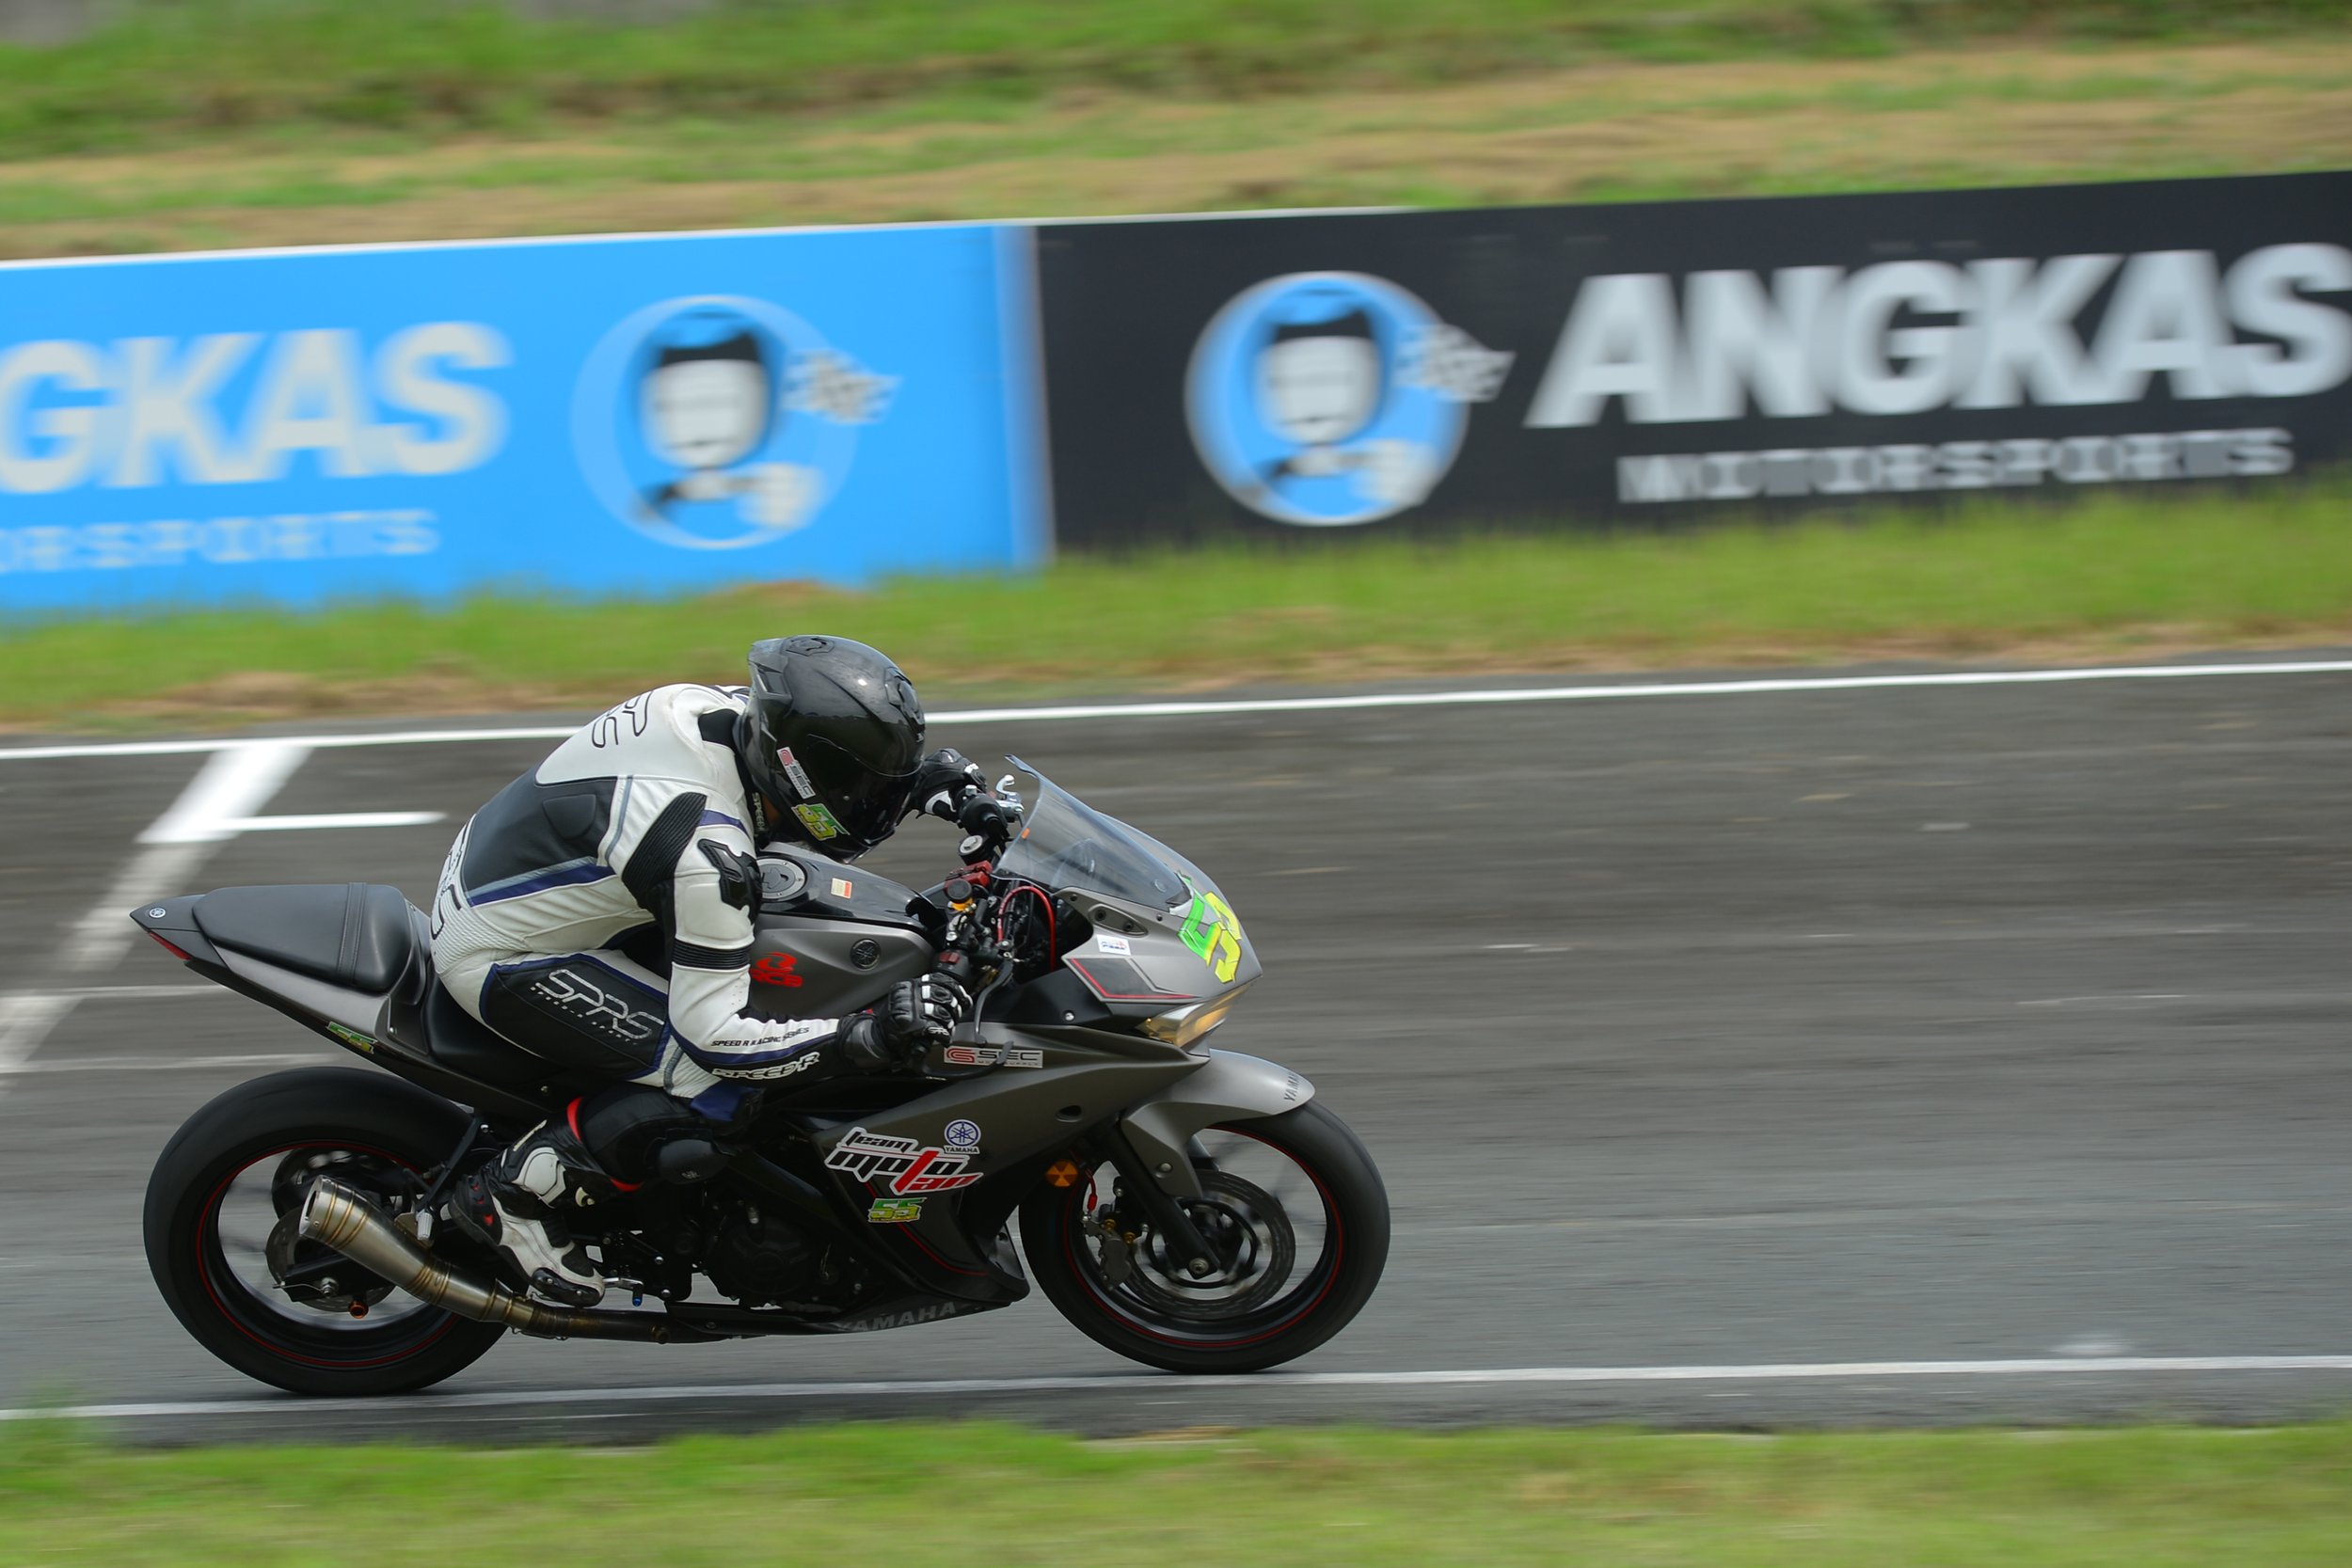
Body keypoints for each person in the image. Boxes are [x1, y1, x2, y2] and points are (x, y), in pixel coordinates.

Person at [426, 635, 1000, 1306]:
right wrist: (863, 1035)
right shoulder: (705, 853)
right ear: (804, 771)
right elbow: (716, 1037)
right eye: (862, 786)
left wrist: (925, 786)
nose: (869, 801)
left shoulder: (729, 717)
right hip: (506, 950)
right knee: (720, 1086)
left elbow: (795, 788)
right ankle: (510, 1194)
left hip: (518, 871)